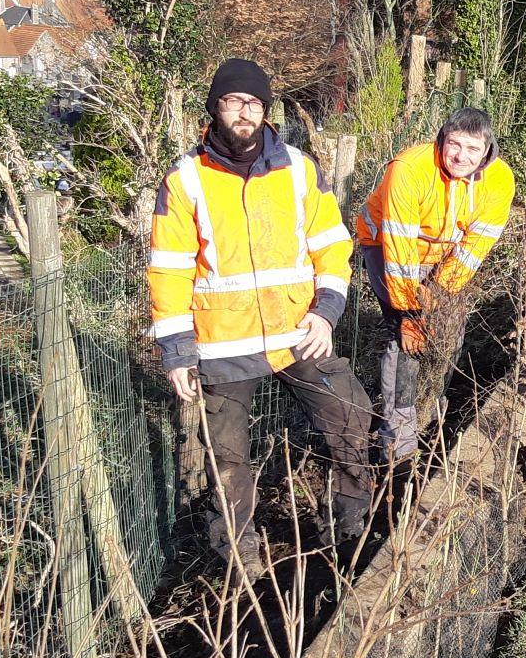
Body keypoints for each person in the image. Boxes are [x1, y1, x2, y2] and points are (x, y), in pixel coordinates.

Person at [147, 58, 376, 572]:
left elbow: (331, 244)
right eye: (233, 101)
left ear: (265, 109)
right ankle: (241, 557)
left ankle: (348, 526)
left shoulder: (297, 167)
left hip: (299, 332)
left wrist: (327, 311)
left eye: (253, 102)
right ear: (215, 108)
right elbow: (169, 269)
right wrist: (178, 353)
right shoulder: (186, 180)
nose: (244, 111)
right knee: (227, 459)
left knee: (350, 417)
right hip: (224, 344)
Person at [353, 108, 517, 461]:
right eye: (454, 145)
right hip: (386, 245)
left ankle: (432, 403)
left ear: (487, 151)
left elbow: (476, 246)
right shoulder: (410, 170)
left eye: (473, 149)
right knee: (406, 340)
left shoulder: (500, 181)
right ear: (441, 141)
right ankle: (398, 435)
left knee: (449, 330)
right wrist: (410, 311)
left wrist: (439, 291)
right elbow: (398, 248)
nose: (461, 156)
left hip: (443, 256)